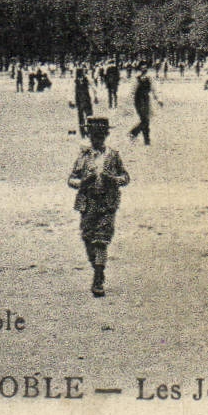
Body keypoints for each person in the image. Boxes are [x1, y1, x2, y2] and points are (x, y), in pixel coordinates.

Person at [68, 117, 130, 297]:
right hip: (88, 203)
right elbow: (71, 179)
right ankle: (97, 267)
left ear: (106, 135)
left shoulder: (113, 155)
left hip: (107, 202)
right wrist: (82, 183)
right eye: (94, 135)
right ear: (90, 136)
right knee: (88, 238)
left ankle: (98, 277)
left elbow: (125, 177)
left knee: (101, 240)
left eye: (101, 135)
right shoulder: (83, 156)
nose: (97, 139)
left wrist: (114, 180)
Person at [128, 72, 161, 145]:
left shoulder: (150, 79)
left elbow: (154, 90)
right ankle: (135, 133)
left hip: (146, 101)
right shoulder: (136, 79)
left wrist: (158, 100)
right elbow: (132, 92)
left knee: (146, 120)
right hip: (138, 101)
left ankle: (146, 140)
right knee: (145, 120)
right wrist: (129, 104)